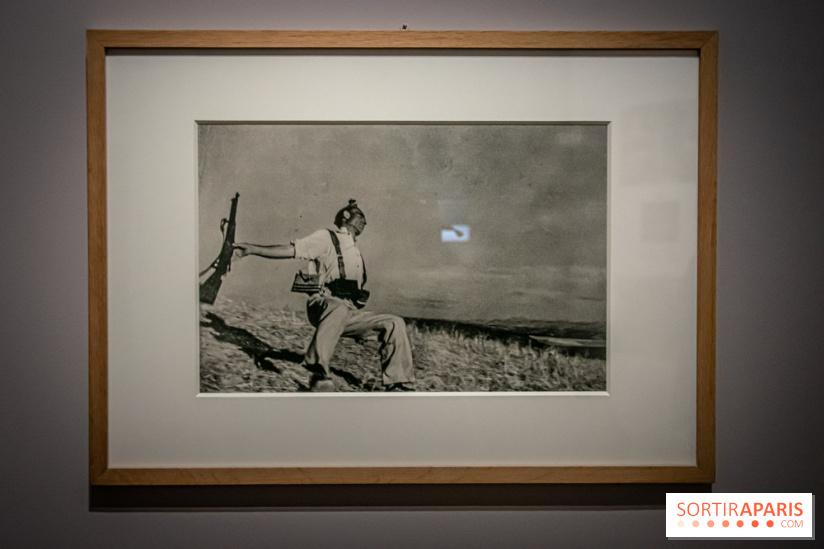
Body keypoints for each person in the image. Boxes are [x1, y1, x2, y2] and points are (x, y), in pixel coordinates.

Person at [233, 200, 416, 392]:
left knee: (394, 322)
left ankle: (399, 383)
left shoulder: (356, 252)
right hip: (323, 303)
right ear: (346, 215)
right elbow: (291, 250)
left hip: (348, 312)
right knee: (338, 308)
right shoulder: (327, 237)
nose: (365, 222)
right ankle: (318, 371)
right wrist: (252, 249)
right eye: (361, 217)